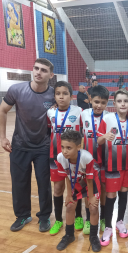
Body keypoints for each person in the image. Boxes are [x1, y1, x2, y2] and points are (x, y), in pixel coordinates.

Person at [0, 58, 55, 232]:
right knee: (19, 183)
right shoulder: (17, 89)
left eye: (44, 70)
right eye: (36, 68)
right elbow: (2, 110)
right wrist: (2, 138)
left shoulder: (54, 94)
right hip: (20, 145)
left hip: (43, 147)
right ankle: (22, 216)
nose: (38, 72)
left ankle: (44, 217)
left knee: (44, 183)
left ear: (51, 75)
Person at [55, 130, 101, 252]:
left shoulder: (87, 157)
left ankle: (93, 236)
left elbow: (90, 179)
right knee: (70, 206)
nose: (64, 151)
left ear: (78, 147)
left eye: (69, 148)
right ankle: (69, 235)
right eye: (63, 147)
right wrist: (69, 195)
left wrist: (91, 197)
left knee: (93, 207)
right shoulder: (60, 157)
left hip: (91, 180)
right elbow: (67, 176)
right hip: (76, 180)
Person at [47, 81, 83, 236]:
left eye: (65, 93)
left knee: (76, 187)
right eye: (58, 94)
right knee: (57, 189)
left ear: (71, 95)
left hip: (75, 157)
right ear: (54, 96)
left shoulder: (80, 111)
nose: (61, 97)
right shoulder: (50, 112)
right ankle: (59, 220)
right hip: (56, 157)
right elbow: (49, 130)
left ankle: (79, 217)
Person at [97, 89, 128, 246]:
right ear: (114, 104)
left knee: (124, 194)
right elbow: (98, 140)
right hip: (112, 165)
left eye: (125, 101)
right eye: (119, 101)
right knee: (111, 197)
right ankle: (108, 227)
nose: (122, 104)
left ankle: (120, 221)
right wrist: (104, 137)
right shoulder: (107, 118)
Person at [81, 85, 110, 234]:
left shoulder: (109, 117)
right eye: (96, 101)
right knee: (88, 191)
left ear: (107, 103)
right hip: (88, 161)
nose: (99, 105)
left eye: (103, 103)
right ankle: (88, 220)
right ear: (91, 99)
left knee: (103, 190)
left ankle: (104, 218)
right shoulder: (83, 113)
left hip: (104, 160)